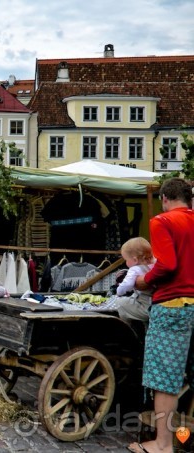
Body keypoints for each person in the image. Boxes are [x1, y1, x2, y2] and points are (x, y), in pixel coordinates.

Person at [130, 178, 194, 453]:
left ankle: (163, 444)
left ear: (165, 198)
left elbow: (167, 264)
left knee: (164, 379)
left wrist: (144, 280)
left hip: (172, 305)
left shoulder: (163, 221)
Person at [115, 237, 155, 323]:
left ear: (135, 260)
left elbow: (127, 285)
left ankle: (129, 328)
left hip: (146, 307)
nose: (126, 263)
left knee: (120, 303)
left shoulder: (135, 269)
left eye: (126, 260)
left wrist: (119, 291)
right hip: (156, 303)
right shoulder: (155, 264)